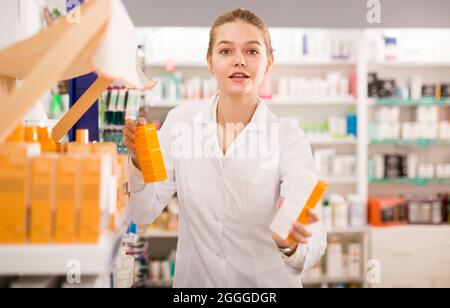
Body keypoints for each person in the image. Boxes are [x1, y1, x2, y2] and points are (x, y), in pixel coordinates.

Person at [123, 8, 326, 288]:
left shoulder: (289, 140)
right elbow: (141, 213)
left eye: (252, 52)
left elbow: (314, 237)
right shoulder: (181, 122)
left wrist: (290, 244)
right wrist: (138, 162)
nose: (239, 61)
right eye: (226, 51)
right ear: (210, 61)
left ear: (269, 62)